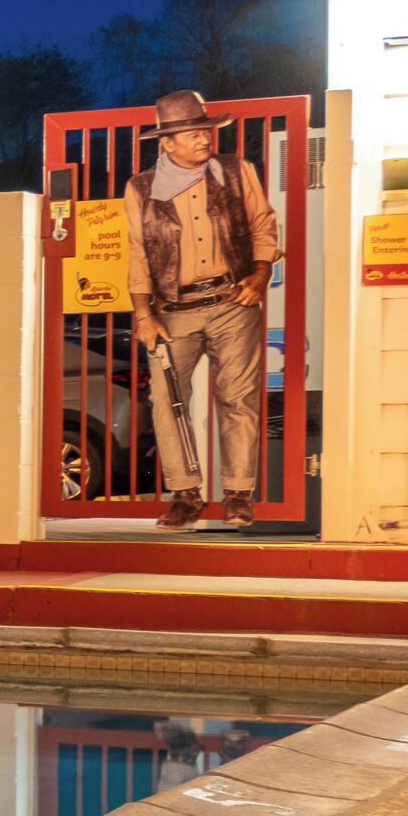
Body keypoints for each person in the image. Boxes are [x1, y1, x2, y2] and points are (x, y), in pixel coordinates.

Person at [121, 88, 277, 528]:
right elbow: (137, 252)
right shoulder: (141, 188)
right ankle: (185, 494)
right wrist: (143, 314)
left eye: (204, 130)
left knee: (238, 397)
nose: (203, 139)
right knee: (166, 400)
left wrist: (260, 275)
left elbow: (264, 223)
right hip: (174, 310)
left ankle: (238, 494)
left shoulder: (234, 171)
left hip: (233, 301)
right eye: (190, 133)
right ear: (166, 143)